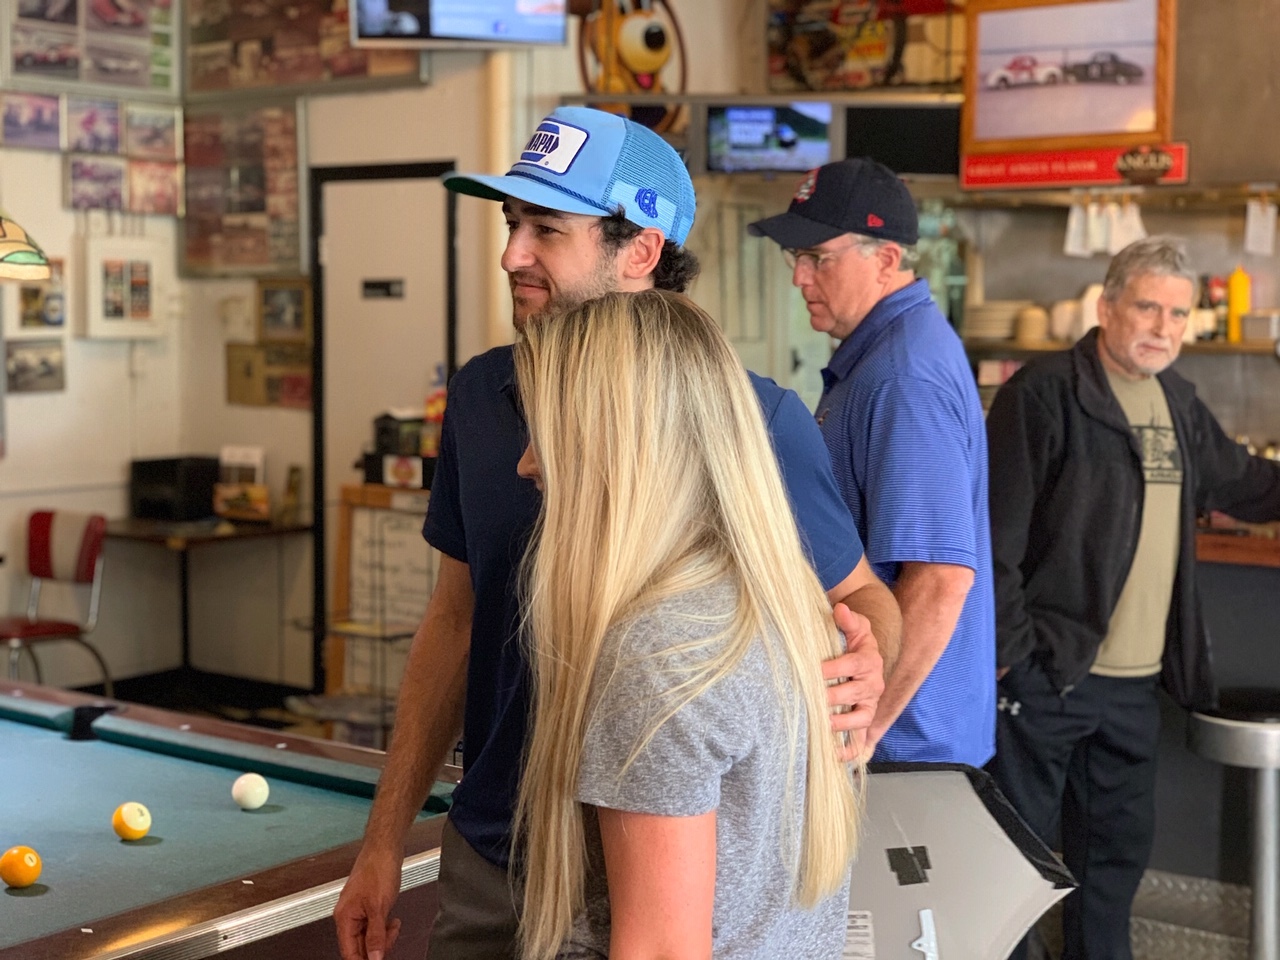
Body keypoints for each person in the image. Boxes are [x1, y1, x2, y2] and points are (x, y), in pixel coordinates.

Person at [333, 106, 901, 960]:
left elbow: (860, 598)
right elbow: (455, 623)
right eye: (511, 223)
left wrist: (869, 663)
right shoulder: (484, 398)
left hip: (668, 862)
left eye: (546, 230)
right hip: (495, 856)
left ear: (639, 250)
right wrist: (382, 841)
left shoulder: (750, 419)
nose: (511, 254)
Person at [512, 288, 861, 959]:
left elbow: (662, 951)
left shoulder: (660, 655)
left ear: (618, 447)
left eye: (548, 430)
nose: (527, 461)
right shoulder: (776, 605)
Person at [985, 235, 1280, 960]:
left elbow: (1243, 483)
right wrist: (1017, 660)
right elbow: (994, 541)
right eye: (1147, 307)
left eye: (1177, 314)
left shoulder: (1176, 401)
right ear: (1107, 306)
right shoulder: (1044, 392)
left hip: (1135, 690)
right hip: (1051, 676)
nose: (1162, 327)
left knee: (1111, 871)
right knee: (1016, 867)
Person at [748, 157, 995, 766]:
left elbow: (939, 580)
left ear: (885, 259)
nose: (800, 278)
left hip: (903, 741)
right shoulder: (881, 355)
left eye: (818, 258)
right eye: (794, 258)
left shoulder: (903, 377)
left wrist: (864, 733)